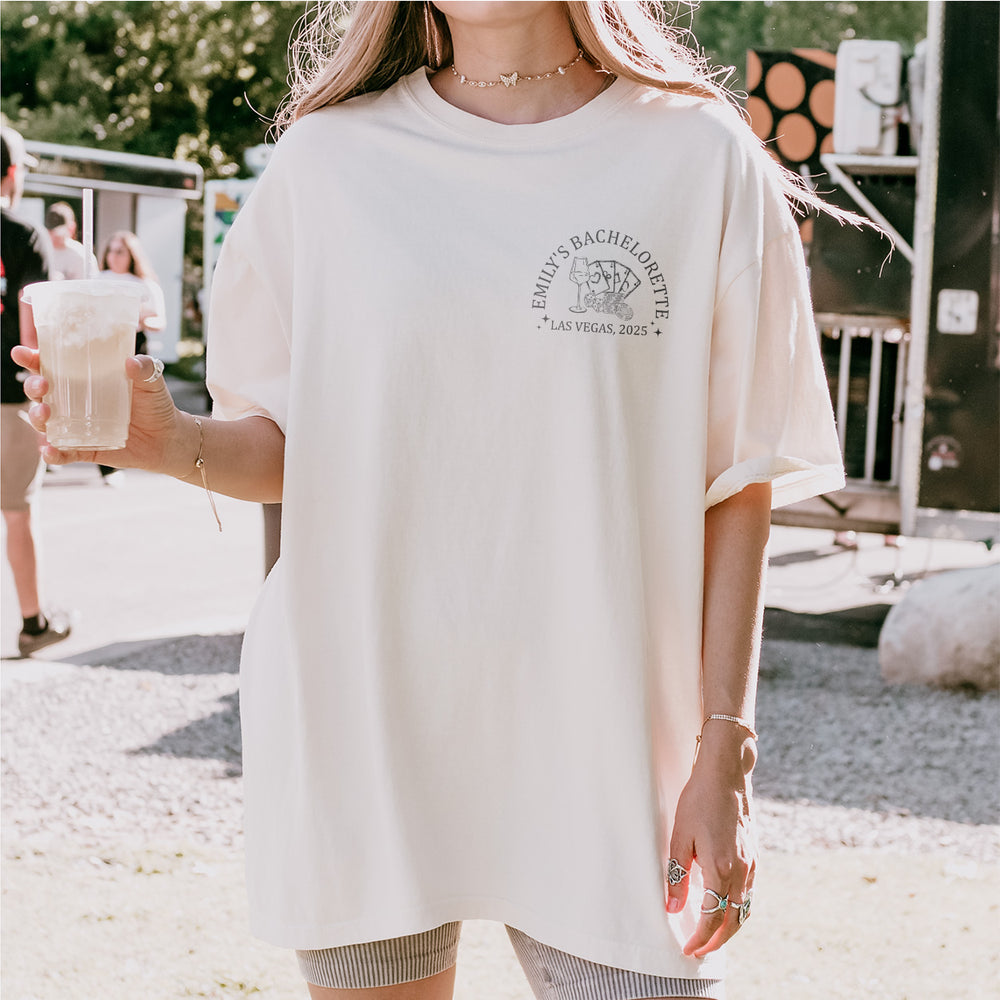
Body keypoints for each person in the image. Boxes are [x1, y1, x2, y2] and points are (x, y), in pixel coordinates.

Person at [15, 3, 848, 996]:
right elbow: (293, 446)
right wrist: (171, 442)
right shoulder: (326, 164)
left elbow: (736, 483)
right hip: (362, 721)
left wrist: (726, 751)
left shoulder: (700, 160)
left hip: (612, 742)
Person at [1, 124, 71, 657]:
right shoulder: (25, 238)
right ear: (13, 173)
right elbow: (32, 339)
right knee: (17, 512)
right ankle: (32, 623)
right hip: (9, 399)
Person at [99, 230, 166, 355]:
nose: (113, 256)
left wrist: (137, 319)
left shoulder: (146, 284)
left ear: (132, 254)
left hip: (134, 342)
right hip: (103, 341)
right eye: (110, 251)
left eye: (119, 252)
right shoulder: (97, 280)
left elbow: (159, 321)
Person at [44, 201, 98, 281]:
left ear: (71, 228)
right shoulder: (43, 250)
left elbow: (90, 287)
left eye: (57, 234)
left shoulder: (82, 255)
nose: (52, 237)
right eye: (50, 232)